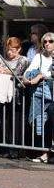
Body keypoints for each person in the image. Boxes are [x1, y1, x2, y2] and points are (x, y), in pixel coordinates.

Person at [24, 32, 54, 163]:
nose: (47, 44)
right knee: (43, 123)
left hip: (52, 93)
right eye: (45, 42)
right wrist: (28, 78)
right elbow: (28, 72)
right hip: (43, 94)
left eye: (51, 41)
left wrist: (42, 76)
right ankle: (45, 153)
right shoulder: (39, 57)